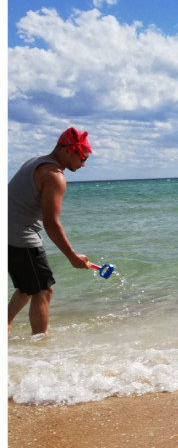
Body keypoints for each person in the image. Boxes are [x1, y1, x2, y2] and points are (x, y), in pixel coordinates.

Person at [8, 127, 94, 334]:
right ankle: (40, 347)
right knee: (44, 290)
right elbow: (52, 223)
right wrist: (72, 257)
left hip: (8, 233)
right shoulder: (54, 175)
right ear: (67, 151)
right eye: (82, 157)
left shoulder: (35, 161)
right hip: (20, 237)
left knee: (28, 287)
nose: (83, 164)